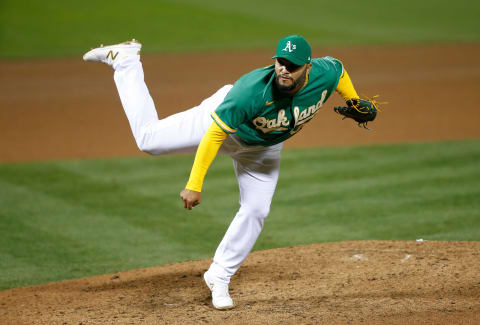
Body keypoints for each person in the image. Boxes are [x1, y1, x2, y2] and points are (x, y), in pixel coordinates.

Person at [83, 35, 361, 310]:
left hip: (262, 150)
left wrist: (355, 101)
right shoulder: (250, 91)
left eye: (293, 65)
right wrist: (194, 183)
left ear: (308, 67)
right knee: (149, 141)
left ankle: (219, 276)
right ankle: (127, 61)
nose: (284, 69)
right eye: (280, 62)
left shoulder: (324, 73)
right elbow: (214, 135)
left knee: (256, 210)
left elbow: (339, 70)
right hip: (219, 122)